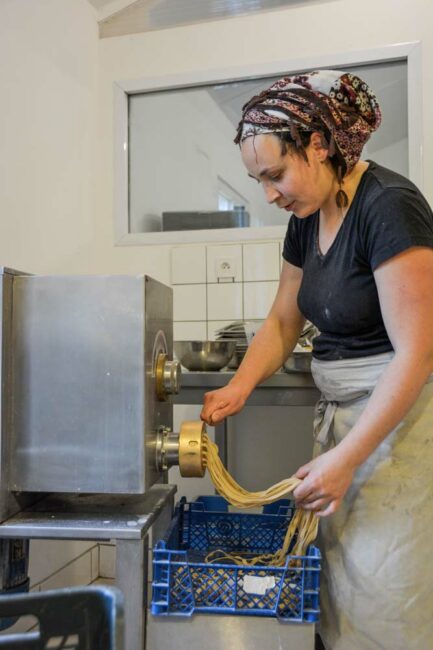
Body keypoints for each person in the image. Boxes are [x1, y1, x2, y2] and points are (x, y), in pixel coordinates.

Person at [200, 70, 433, 649]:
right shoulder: (305, 219)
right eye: (260, 181)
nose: (270, 195)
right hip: (345, 422)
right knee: (338, 582)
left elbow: (418, 352)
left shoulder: (391, 208)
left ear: (320, 146)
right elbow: (284, 321)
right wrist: (240, 386)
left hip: (396, 426)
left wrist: (349, 457)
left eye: (276, 175)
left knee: (387, 587)